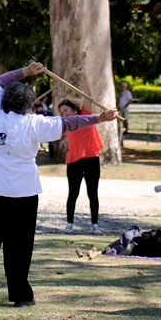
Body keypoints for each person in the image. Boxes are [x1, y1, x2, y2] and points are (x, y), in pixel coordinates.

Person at [0, 61, 118, 308]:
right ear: (29, 104)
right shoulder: (36, 123)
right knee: (19, 246)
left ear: (4, 101)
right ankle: (21, 296)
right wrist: (100, 117)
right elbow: (70, 124)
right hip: (22, 193)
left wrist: (25, 71)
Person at [59, 67, 105, 235]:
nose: (63, 114)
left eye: (66, 110)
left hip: (92, 158)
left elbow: (88, 97)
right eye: (61, 112)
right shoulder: (64, 125)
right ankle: (69, 224)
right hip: (74, 161)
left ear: (75, 110)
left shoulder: (85, 115)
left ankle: (95, 225)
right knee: (74, 193)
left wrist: (84, 76)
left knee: (93, 192)